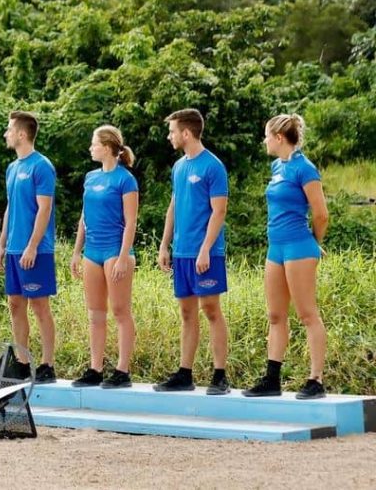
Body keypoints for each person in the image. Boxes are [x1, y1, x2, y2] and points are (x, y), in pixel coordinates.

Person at [245, 114, 329, 400]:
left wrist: (314, 243)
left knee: (307, 314)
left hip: (298, 247)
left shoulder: (305, 169)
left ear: (279, 137)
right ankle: (272, 379)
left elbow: (321, 214)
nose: (264, 141)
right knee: (275, 315)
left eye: (267, 136)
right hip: (276, 248)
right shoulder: (277, 166)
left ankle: (315, 380)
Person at [155, 109, 231, 395]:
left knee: (210, 309)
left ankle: (220, 375)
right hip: (182, 252)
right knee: (187, 313)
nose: (169, 136)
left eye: (172, 131)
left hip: (207, 253)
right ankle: (184, 373)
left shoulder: (213, 166)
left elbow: (219, 211)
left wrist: (206, 249)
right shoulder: (178, 167)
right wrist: (164, 245)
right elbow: (173, 206)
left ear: (186, 133)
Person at [69, 125, 139, 389]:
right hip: (92, 252)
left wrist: (122, 257)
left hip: (115, 251)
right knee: (95, 313)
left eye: (94, 143)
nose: (91, 148)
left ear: (107, 147)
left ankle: (122, 371)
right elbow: (84, 217)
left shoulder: (125, 180)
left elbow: (131, 222)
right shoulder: (90, 178)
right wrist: (77, 251)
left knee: (120, 311)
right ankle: (95, 369)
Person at [0, 111, 58, 383]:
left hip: (37, 250)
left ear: (22, 134)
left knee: (39, 306)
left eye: (9, 130)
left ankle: (47, 365)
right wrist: (1, 243)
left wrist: (32, 246)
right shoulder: (12, 168)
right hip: (14, 249)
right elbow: (10, 207)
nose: (6, 134)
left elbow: (45, 209)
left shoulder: (41, 166)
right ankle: (22, 363)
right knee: (15, 304)